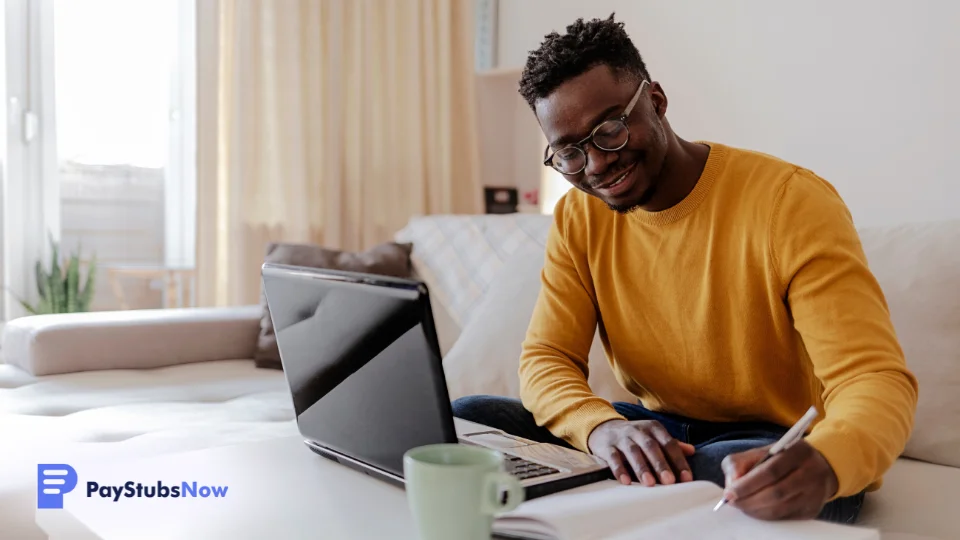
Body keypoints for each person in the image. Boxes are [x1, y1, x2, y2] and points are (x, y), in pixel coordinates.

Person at [452, 14, 918, 524]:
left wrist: (829, 463)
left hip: (772, 441)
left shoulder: (790, 202)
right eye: (570, 152)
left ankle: (619, 497)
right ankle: (629, 491)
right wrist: (601, 430)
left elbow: (873, 378)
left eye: (608, 129)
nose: (596, 165)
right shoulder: (577, 218)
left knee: (731, 472)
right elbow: (546, 358)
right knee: (468, 418)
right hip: (661, 432)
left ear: (655, 101)